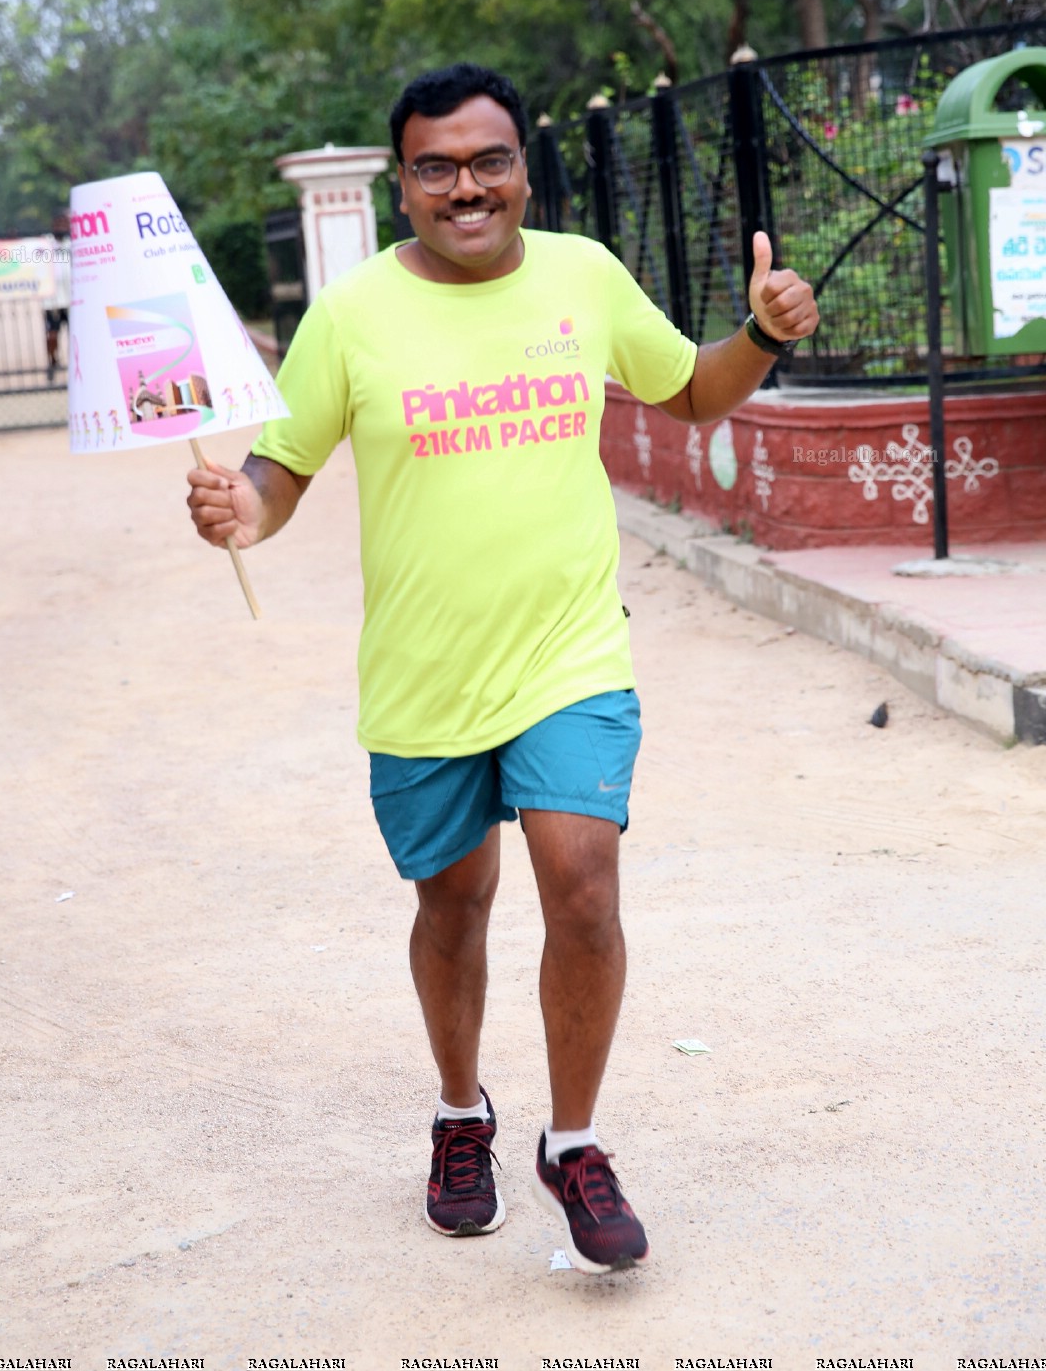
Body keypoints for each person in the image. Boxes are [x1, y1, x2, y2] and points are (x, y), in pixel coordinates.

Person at [186, 63, 818, 1275]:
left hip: (570, 654)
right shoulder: (354, 314)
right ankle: (460, 1112)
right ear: (402, 184)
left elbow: (691, 393)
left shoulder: (585, 275)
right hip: (423, 679)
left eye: (488, 161)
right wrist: (238, 513)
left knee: (582, 885)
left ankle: (574, 1144)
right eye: (437, 166)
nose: (465, 186)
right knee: (454, 904)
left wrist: (761, 337)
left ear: (524, 167)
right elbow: (282, 473)